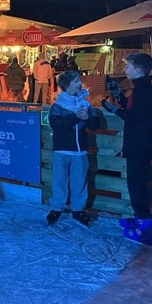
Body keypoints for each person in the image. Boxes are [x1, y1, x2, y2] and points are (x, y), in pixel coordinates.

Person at [102, 53, 152, 246]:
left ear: (139, 70)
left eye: (128, 66)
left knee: (136, 184)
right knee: (135, 183)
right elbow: (132, 107)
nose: (125, 69)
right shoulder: (141, 89)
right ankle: (140, 218)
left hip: (139, 145)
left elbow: (135, 117)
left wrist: (114, 110)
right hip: (138, 144)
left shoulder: (144, 90)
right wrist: (117, 93)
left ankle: (145, 227)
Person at [46, 71, 100, 227]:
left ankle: (78, 208)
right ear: (67, 84)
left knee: (79, 180)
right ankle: (57, 207)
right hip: (62, 149)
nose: (80, 83)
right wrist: (75, 117)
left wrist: (88, 118)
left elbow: (95, 124)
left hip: (80, 150)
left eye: (79, 80)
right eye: (76, 81)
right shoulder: (58, 104)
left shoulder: (85, 103)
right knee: (59, 180)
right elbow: (57, 125)